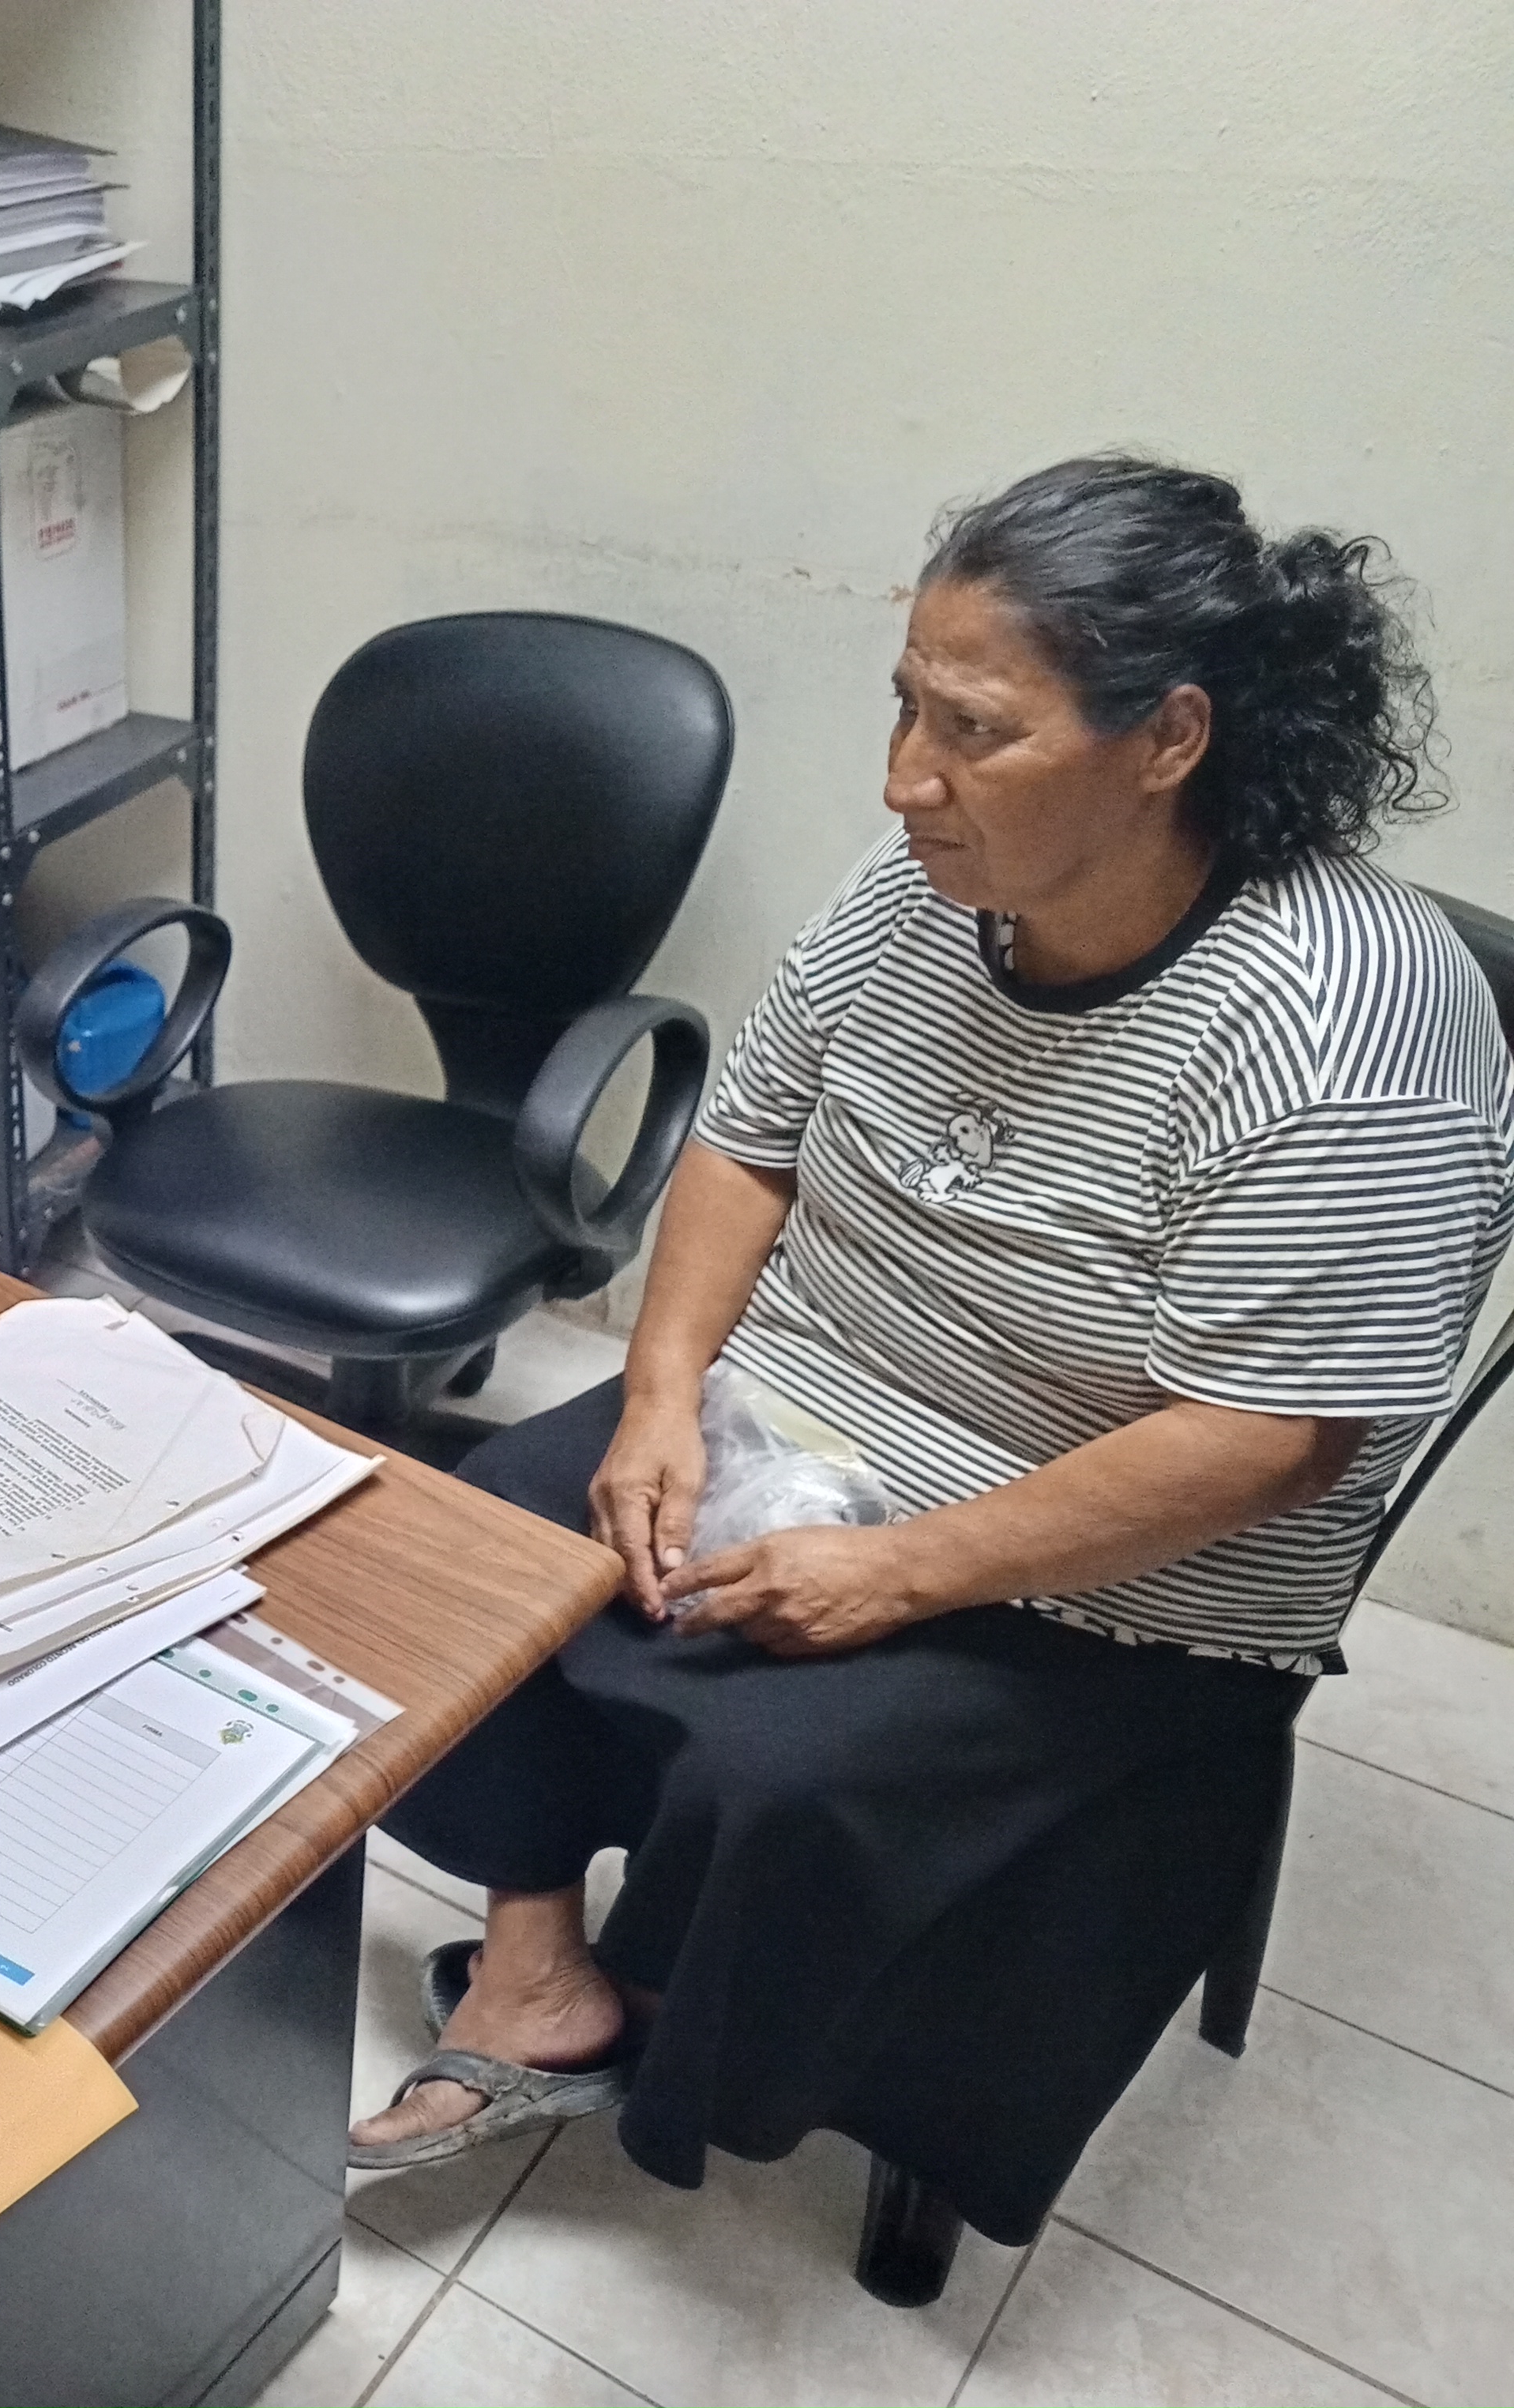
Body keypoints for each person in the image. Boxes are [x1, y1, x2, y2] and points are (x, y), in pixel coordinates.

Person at [349, 457, 1514, 2251]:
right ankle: (537, 1975)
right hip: (818, 1411)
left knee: (778, 1770)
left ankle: (712, 2032)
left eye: (974, 728)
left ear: (1169, 737)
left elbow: (1273, 1441)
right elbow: (747, 1142)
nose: (906, 776)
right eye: (906, 704)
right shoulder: (924, 889)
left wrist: (900, 1571)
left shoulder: (1345, 1026)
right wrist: (658, 1396)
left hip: (1120, 1572)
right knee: (488, 1538)